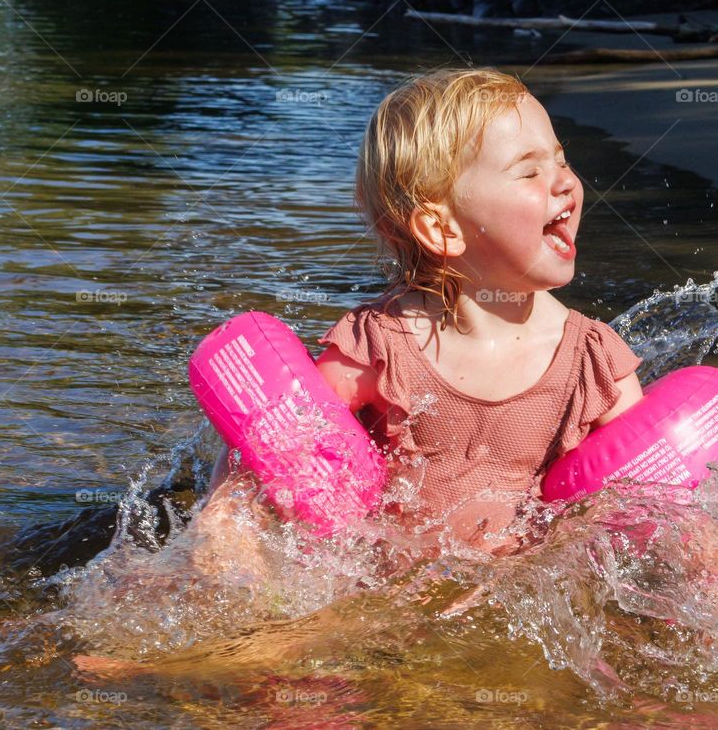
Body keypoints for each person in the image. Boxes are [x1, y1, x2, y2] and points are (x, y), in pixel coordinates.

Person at [213, 67, 644, 556]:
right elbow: (269, 452)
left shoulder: (595, 364)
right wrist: (226, 530)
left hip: (523, 593)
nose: (565, 182)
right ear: (442, 229)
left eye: (561, 160)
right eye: (530, 171)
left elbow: (659, 492)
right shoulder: (381, 348)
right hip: (394, 591)